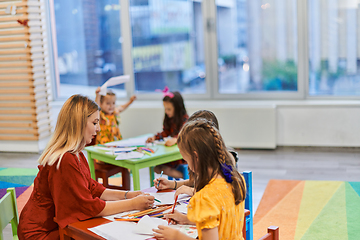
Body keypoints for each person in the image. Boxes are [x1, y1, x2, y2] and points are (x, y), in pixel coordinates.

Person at [18, 95, 154, 240]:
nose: (99, 129)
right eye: (95, 123)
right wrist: (132, 204)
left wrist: (127, 195)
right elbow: (87, 207)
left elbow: (93, 188)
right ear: (79, 123)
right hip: (40, 234)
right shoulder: (65, 159)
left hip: (49, 227)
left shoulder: (77, 154)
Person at [152, 119, 247, 240]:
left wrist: (176, 236)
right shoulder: (236, 179)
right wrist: (186, 219)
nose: (188, 165)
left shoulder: (204, 198)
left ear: (195, 157)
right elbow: (220, 222)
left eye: (186, 160)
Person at [153, 109, 239, 198]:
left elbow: (221, 192)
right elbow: (193, 182)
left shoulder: (226, 159)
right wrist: (171, 184)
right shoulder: (201, 159)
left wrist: (192, 191)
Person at [146, 88, 189, 179]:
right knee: (156, 168)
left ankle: (186, 177)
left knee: (160, 168)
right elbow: (166, 132)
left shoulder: (185, 119)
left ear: (177, 108)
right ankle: (183, 177)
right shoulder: (169, 118)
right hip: (172, 155)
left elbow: (186, 134)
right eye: (165, 109)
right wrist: (155, 137)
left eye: (169, 109)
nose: (166, 112)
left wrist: (176, 139)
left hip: (182, 156)